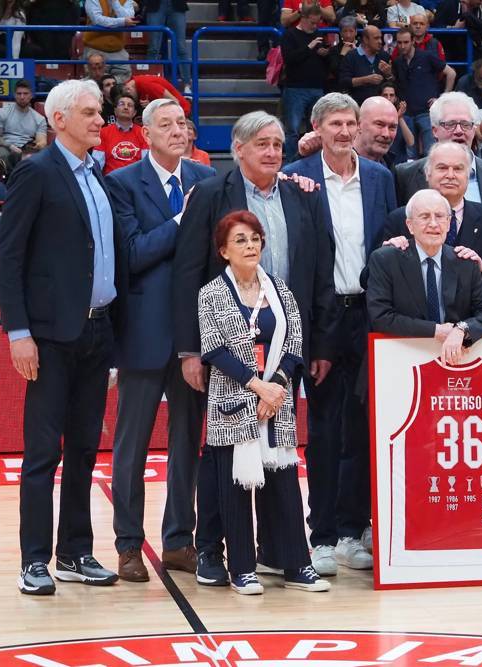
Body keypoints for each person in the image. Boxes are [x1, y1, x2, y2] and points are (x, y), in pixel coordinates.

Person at [173, 111, 336, 586]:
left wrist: (316, 345)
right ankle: (211, 552)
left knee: (278, 453)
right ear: (239, 149)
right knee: (222, 457)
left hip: (285, 345)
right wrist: (189, 350)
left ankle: (279, 553)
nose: (271, 152)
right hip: (227, 350)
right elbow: (187, 273)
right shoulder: (208, 194)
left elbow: (319, 271)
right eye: (261, 144)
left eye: (278, 144)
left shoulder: (301, 195)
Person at [0, 79, 124, 596]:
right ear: (60, 119)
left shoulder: (98, 175)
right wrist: (18, 332)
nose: (100, 120)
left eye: (101, 112)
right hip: (48, 335)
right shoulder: (35, 171)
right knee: (43, 452)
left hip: (98, 328)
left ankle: (74, 552)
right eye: (90, 112)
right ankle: (33, 560)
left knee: (87, 450)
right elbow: (9, 256)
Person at [283, 93, 396, 575]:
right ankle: (322, 535)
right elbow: (300, 260)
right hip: (322, 319)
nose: (345, 131)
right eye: (335, 123)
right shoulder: (297, 176)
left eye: (351, 123)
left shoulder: (381, 178)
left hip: (370, 315)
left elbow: (390, 247)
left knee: (366, 429)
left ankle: (354, 530)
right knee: (326, 431)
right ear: (316, 128)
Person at [104, 99, 215, 583]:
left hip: (195, 334)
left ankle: (178, 541)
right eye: (166, 124)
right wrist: (180, 222)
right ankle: (128, 544)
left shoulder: (206, 181)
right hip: (144, 334)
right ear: (144, 134)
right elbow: (132, 253)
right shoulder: (122, 183)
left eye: (182, 123)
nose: (177, 131)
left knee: (188, 442)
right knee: (131, 446)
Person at [198, 210, 330, 595]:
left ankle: (296, 565)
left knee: (285, 487)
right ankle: (242, 569)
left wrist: (276, 386)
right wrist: (258, 386)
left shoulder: (281, 290)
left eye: (255, 238)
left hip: (277, 402)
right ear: (224, 251)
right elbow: (214, 349)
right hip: (233, 402)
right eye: (240, 240)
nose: (250, 245)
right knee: (237, 487)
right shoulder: (211, 293)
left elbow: (293, 345)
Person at [367, 187, 482, 364]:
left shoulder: (465, 261)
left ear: (448, 223)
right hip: (400, 358)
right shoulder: (385, 259)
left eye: (439, 216)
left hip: (455, 360)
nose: (433, 224)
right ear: (410, 225)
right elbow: (381, 317)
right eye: (424, 217)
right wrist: (436, 330)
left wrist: (461, 330)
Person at [384, 141, 482, 304]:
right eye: (442, 168)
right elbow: (370, 279)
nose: (450, 175)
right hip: (416, 325)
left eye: (458, 169)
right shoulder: (401, 218)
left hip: (475, 324)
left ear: (468, 175)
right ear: (427, 174)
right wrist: (386, 255)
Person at [394, 92, 482, 209]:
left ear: (474, 130)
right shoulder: (405, 175)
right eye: (450, 124)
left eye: (465, 124)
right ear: (434, 131)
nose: (459, 131)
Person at [280, 3, 331, 161]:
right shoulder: (290, 35)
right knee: (293, 131)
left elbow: (328, 65)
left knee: (316, 131)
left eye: (317, 23)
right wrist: (309, 47)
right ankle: (290, 165)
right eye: (312, 23)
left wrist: (325, 54)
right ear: (303, 18)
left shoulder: (320, 35)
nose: (315, 26)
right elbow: (289, 59)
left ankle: (314, 163)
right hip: (296, 89)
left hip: (317, 88)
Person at [392, 26, 452, 157]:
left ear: (413, 41)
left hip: (426, 112)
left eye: (406, 42)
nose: (402, 46)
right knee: (409, 154)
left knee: (430, 152)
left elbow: (451, 73)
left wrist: (442, 99)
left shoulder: (427, 56)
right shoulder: (397, 62)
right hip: (406, 113)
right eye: (399, 42)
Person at [0, 80, 48, 177]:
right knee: (1, 154)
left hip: (26, 148)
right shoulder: (1, 112)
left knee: (43, 154)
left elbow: (42, 141)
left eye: (25, 93)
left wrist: (37, 146)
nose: (22, 97)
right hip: (6, 147)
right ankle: (12, 179)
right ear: (14, 95)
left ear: (31, 95)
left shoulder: (39, 118)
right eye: (19, 93)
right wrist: (10, 146)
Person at [83, 0, 137, 83]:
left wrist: (114, 2)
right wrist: (122, 22)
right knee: (94, 81)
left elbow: (129, 17)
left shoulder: (127, 1)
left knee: (125, 78)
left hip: (118, 49)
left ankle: (112, 88)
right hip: (95, 49)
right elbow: (97, 20)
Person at [338, 25, 393, 106]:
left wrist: (388, 75)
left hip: (380, 107)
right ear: (365, 39)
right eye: (376, 38)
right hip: (357, 106)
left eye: (380, 38)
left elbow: (392, 83)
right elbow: (344, 82)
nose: (380, 41)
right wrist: (366, 79)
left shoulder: (384, 56)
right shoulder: (351, 56)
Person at [93, 92, 147, 174]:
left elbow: (146, 164)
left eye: (130, 105)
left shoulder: (143, 133)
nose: (126, 107)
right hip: (111, 182)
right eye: (122, 104)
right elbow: (97, 165)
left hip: (136, 182)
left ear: (135, 113)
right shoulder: (103, 132)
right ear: (115, 110)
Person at [144, 0, 190, 90]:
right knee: (153, 47)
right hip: (155, 5)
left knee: (181, 47)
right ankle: (148, 83)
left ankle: (187, 85)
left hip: (177, 5)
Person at [124, 75, 192, 118]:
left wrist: (152, 106)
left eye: (131, 97)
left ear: (129, 89)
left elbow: (175, 102)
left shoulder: (147, 85)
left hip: (181, 113)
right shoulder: (131, 82)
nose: (132, 99)